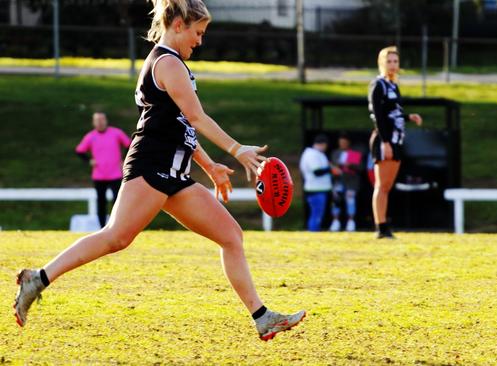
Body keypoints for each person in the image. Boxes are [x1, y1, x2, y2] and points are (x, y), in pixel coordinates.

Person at [14, 0, 305, 342]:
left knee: (231, 236)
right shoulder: (167, 62)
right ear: (178, 25)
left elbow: (179, 125)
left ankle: (261, 317)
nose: (200, 41)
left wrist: (209, 165)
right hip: (152, 164)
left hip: (174, 174)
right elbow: (196, 118)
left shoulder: (171, 63)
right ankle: (39, 278)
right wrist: (237, 149)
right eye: (198, 33)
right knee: (116, 237)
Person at [368, 46, 423, 239]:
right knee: (381, 185)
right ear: (382, 63)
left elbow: (394, 113)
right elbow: (378, 116)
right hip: (385, 139)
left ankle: (384, 224)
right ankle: (380, 227)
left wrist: (409, 117)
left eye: (395, 61)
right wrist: (385, 142)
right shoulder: (378, 84)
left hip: (396, 138)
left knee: (388, 185)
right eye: (389, 61)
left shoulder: (394, 85)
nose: (392, 65)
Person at [76, 112, 132, 228]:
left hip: (115, 174)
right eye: (97, 120)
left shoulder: (116, 133)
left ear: (106, 120)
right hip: (99, 175)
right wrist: (89, 161)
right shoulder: (90, 136)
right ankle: (102, 227)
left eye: (102, 119)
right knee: (101, 202)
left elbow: (129, 145)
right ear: (93, 122)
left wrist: (124, 160)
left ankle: (117, 225)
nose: (100, 122)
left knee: (117, 201)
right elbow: (79, 151)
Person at [329, 133, 362, 232]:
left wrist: (351, 165)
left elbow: (360, 167)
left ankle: (351, 222)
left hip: (351, 182)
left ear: (348, 143)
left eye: (344, 142)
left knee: (350, 201)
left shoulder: (354, 153)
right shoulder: (335, 153)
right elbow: (331, 165)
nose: (342, 144)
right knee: (336, 201)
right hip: (338, 181)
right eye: (341, 142)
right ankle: (335, 221)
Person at [299, 134, 332, 232]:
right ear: (323, 144)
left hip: (319, 189)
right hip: (315, 189)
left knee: (317, 213)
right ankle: (313, 232)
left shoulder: (317, 153)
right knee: (316, 214)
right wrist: (331, 169)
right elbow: (317, 171)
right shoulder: (311, 154)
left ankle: (315, 231)